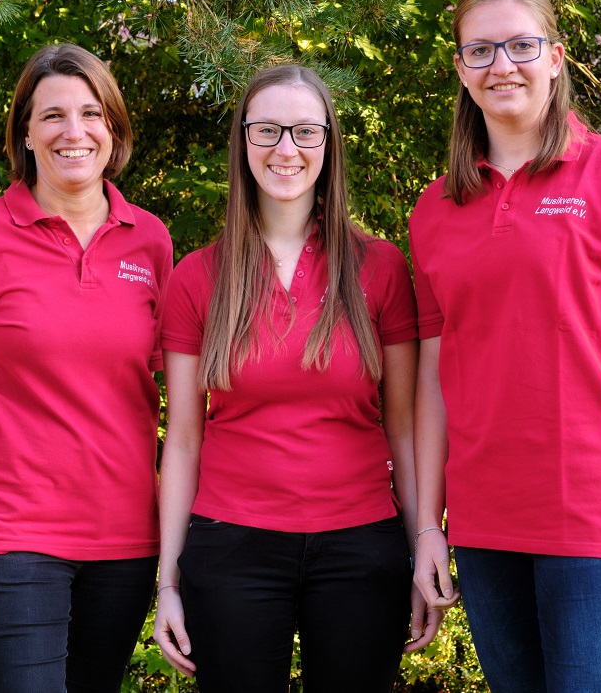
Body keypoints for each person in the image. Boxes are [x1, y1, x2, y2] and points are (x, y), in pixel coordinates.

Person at [408, 0, 601, 693]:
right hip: (483, 527)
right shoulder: (435, 209)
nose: (501, 64)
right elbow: (433, 381)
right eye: (480, 50)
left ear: (556, 57)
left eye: (519, 45)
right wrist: (428, 528)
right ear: (460, 69)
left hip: (597, 521)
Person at [152, 64, 440, 693]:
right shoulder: (197, 278)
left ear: (329, 146)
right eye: (269, 131)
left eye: (306, 132)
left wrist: (424, 547)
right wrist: (167, 583)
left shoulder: (380, 268)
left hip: (361, 547)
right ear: (243, 142)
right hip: (231, 550)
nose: (287, 149)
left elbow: (405, 430)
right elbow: (182, 441)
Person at [0, 43, 172, 693]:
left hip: (127, 536)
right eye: (52, 116)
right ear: (24, 132)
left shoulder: (151, 240)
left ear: (114, 130)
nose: (73, 132)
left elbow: (164, 392)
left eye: (90, 113)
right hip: (8, 533)